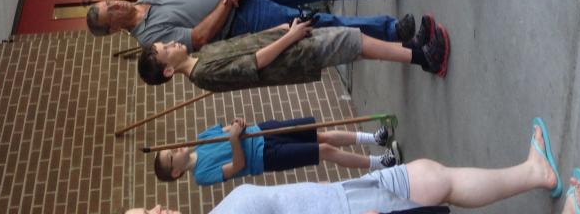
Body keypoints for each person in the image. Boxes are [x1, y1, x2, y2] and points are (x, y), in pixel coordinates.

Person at [127, 118, 580, 214]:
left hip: (346, 196)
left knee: (432, 177)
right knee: (435, 183)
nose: (154, 210)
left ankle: (536, 173)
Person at [85, 0, 416, 49]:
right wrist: (228, 1)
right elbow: (198, 37)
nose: (116, 4)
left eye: (108, 1)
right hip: (242, 19)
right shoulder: (151, 40)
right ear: (113, 29)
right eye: (109, 12)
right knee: (319, 22)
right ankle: (390, 31)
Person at [137, 17, 451, 91]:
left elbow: (249, 43)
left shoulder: (202, 54)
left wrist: (279, 28)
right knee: (353, 40)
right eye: (165, 50)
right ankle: (426, 58)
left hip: (290, 44)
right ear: (167, 71)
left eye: (164, 43)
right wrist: (289, 37)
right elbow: (255, 63)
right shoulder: (203, 73)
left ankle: (411, 49)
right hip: (296, 55)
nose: (171, 44)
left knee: (355, 46)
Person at [154, 115, 400, 185]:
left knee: (319, 134)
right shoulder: (201, 176)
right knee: (323, 150)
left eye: (170, 149)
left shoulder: (201, 138)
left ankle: (374, 138)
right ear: (175, 172)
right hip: (266, 158)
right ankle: (381, 163)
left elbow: (232, 128)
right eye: (171, 155)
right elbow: (237, 166)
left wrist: (238, 125)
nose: (175, 149)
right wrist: (233, 139)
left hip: (263, 131)